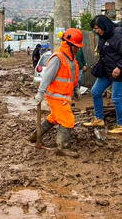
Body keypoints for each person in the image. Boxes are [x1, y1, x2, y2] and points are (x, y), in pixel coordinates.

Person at [29, 29, 84, 157]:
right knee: (68, 120)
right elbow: (47, 77)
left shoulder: (72, 60)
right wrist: (40, 93)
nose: (78, 49)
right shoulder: (57, 58)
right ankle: (62, 148)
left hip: (64, 96)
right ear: (69, 45)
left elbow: (72, 77)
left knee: (54, 118)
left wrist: (76, 89)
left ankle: (35, 135)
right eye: (76, 47)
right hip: (56, 96)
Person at [83, 15, 122, 134]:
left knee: (117, 98)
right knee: (95, 91)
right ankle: (99, 119)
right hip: (107, 71)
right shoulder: (104, 35)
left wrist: (119, 67)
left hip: (120, 73)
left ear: (104, 26)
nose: (96, 31)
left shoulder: (118, 35)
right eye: (94, 29)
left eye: (97, 28)